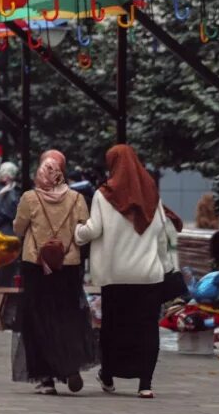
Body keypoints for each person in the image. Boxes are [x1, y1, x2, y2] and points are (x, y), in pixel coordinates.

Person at [75, 144, 179, 400]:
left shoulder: (104, 195)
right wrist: (165, 266)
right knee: (146, 328)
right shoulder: (152, 193)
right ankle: (145, 384)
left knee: (113, 327)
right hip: (148, 275)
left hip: (116, 276)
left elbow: (94, 229)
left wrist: (77, 233)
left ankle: (108, 376)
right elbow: (161, 235)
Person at [12, 150, 94, 396]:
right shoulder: (77, 198)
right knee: (66, 316)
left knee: (38, 319)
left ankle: (46, 378)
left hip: (36, 266)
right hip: (67, 266)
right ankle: (69, 365)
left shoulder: (30, 198)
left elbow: (18, 228)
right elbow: (84, 229)